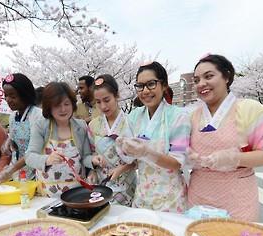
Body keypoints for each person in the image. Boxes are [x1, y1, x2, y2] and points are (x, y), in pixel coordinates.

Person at [187, 54, 263, 222]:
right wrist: (186, 156)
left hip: (237, 197)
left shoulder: (249, 109)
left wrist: (234, 158)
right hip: (199, 194)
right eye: (196, 80)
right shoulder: (192, 116)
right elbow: (180, 149)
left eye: (209, 76)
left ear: (227, 77)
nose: (201, 84)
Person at [116, 61, 191, 213]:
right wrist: (123, 147)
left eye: (151, 84)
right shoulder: (134, 116)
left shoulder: (178, 116)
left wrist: (145, 152)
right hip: (143, 194)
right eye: (140, 86)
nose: (145, 91)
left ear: (164, 85)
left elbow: (177, 162)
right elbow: (129, 158)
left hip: (171, 199)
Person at [24, 82, 101, 197]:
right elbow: (29, 156)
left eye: (66, 104)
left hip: (76, 192)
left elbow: (85, 157)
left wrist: (93, 160)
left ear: (72, 104)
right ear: (49, 107)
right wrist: (47, 160)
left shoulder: (80, 126)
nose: (63, 109)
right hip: (48, 193)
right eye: (57, 105)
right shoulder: (41, 126)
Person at [87, 74, 137, 206]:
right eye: (98, 102)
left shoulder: (131, 122)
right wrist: (92, 168)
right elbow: (91, 152)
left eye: (107, 100)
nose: (103, 106)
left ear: (117, 95)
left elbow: (140, 159)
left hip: (127, 185)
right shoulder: (93, 125)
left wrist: (122, 168)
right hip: (102, 185)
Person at [0, 73, 41, 182]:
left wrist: (10, 170)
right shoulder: (12, 117)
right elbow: (16, 141)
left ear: (25, 94)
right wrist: (9, 142)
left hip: (37, 170)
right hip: (19, 169)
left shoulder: (37, 115)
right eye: (5, 95)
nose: (8, 99)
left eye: (13, 96)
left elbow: (34, 149)